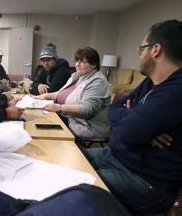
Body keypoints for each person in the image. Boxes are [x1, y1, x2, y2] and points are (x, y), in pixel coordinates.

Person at [80, 19, 182, 215]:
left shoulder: (176, 89)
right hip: (114, 154)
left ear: (156, 50)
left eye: (141, 49)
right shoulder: (151, 82)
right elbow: (114, 108)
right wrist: (140, 122)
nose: (140, 55)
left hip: (143, 180)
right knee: (68, 161)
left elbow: (127, 132)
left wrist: (137, 125)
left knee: (74, 186)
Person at [34, 47, 111, 140]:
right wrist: (45, 96)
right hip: (68, 118)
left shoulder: (98, 82)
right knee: (38, 121)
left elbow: (86, 110)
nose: (77, 65)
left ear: (93, 64)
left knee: (42, 131)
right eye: (76, 61)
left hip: (85, 126)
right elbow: (62, 94)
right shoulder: (77, 76)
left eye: (82, 62)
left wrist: (60, 108)